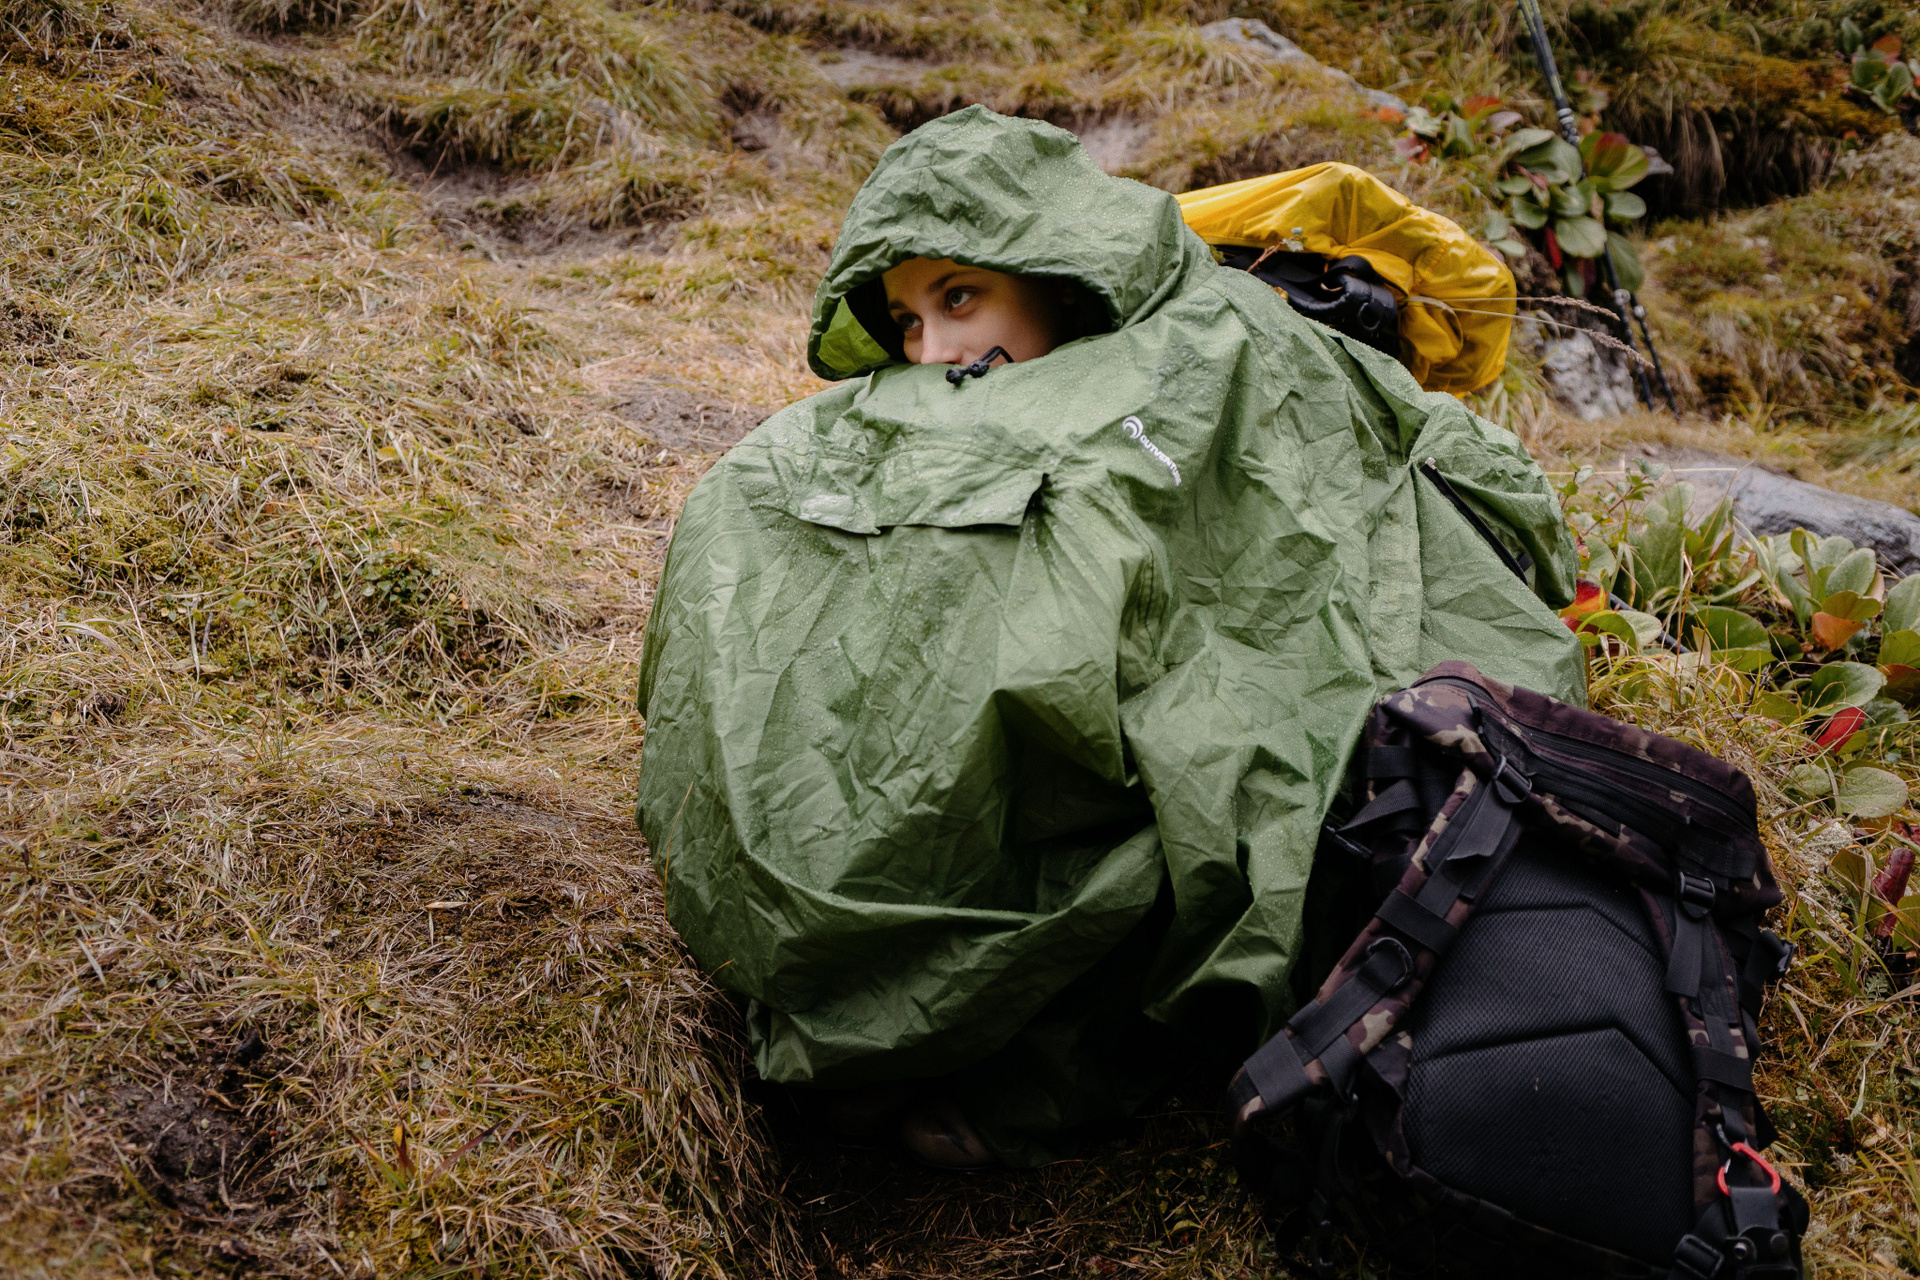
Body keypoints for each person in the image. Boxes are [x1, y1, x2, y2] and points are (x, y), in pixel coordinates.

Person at [636, 106, 1583, 1170]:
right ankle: (903, 1017)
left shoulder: (1209, 342)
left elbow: (1268, 559)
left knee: (1204, 758)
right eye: (904, 320)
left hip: (1150, 728)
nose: (933, 352)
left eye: (959, 297)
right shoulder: (941, 404)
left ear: (1056, 272)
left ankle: (1018, 1054)